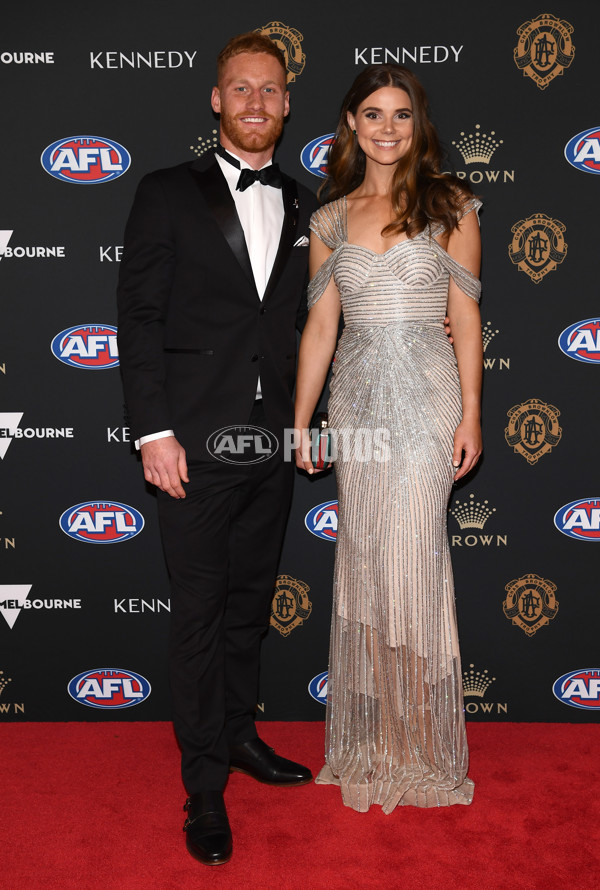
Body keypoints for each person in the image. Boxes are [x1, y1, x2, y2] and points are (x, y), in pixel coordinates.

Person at [117, 33, 318, 865]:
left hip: (271, 447)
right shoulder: (167, 192)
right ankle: (203, 788)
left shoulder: (306, 202)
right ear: (215, 98)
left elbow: (312, 327)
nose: (256, 104)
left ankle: (239, 737)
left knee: (245, 610)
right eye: (241, 89)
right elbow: (140, 318)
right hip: (191, 447)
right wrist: (153, 431)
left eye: (269, 90)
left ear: (284, 101)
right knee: (199, 619)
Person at [294, 64, 483, 813]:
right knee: (369, 560)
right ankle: (376, 739)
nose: (387, 127)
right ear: (350, 123)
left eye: (401, 114)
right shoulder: (330, 219)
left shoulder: (452, 205)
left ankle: (420, 742)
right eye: (372, 113)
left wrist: (470, 413)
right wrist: (303, 420)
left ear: (417, 124)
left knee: (414, 557)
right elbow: (319, 327)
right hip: (358, 399)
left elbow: (465, 318)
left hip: (429, 396)